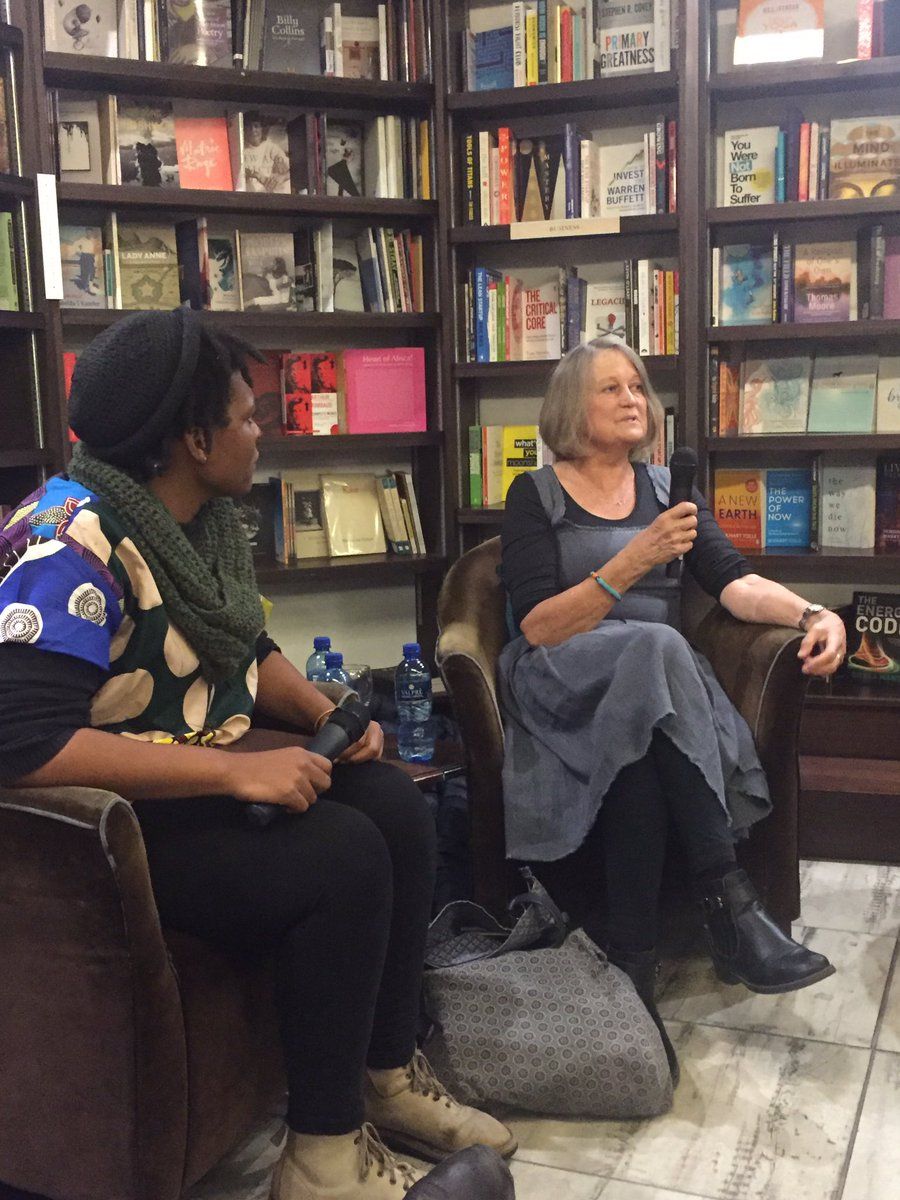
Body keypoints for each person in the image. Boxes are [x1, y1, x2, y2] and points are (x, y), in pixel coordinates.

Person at [0, 309, 515, 1200]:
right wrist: (238, 769)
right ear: (195, 441)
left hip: (188, 783)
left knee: (393, 802)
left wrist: (323, 710)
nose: (260, 432)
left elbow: (241, 647)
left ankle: (384, 1075)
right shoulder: (67, 540)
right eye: (246, 417)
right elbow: (24, 742)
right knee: (341, 857)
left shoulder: (197, 523)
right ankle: (322, 1160)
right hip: (111, 831)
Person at [499, 335, 843, 1083]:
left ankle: (633, 973)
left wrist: (815, 612)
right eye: (611, 388)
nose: (633, 399)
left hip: (651, 696)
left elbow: (735, 583)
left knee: (644, 753)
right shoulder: (536, 494)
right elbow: (538, 626)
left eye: (637, 385)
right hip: (562, 679)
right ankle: (730, 903)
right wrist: (635, 559)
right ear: (572, 405)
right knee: (657, 644)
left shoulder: (666, 489)